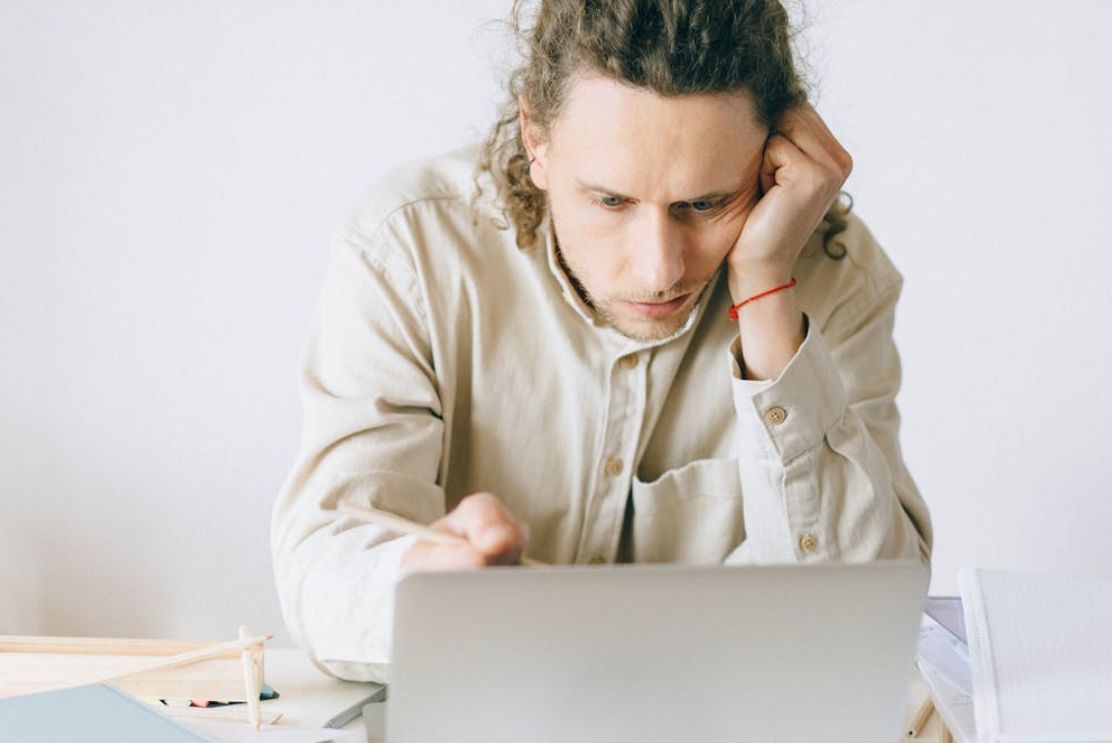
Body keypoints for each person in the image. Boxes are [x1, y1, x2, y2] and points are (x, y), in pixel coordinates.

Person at [272, 0, 932, 683]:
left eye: (704, 204)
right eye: (611, 201)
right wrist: (421, 587)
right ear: (536, 137)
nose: (658, 269)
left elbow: (860, 617)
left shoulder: (835, 279)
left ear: (772, 162)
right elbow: (326, 568)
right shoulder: (410, 248)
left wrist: (766, 292)